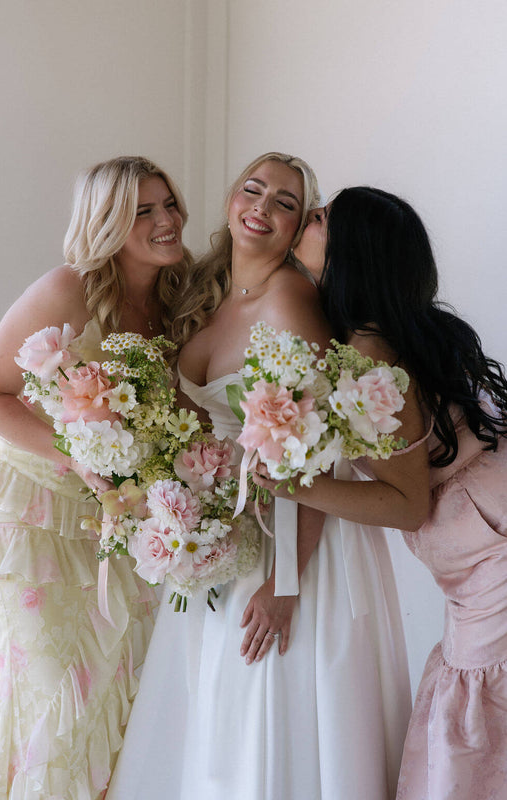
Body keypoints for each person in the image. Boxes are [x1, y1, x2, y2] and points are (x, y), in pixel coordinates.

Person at [107, 155, 411, 800]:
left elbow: (322, 452)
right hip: (225, 536)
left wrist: (285, 583)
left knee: (263, 712)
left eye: (286, 203)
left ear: (298, 226)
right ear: (230, 199)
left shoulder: (291, 300)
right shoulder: (205, 292)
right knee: (211, 721)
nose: (263, 208)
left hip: (291, 545)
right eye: (253, 190)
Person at [264, 186, 507, 800]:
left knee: (477, 718)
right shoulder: (386, 334)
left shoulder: (370, 355)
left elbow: (407, 504)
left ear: (353, 252)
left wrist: (296, 483)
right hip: (485, 540)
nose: (306, 220)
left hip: (492, 554)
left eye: (321, 218)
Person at [0, 156, 192, 799]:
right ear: (108, 223)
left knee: (114, 693)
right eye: (143, 211)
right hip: (32, 516)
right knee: (50, 697)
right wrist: (76, 456)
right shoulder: (66, 290)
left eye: (169, 203)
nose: (166, 220)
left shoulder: (176, 298)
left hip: (115, 522)